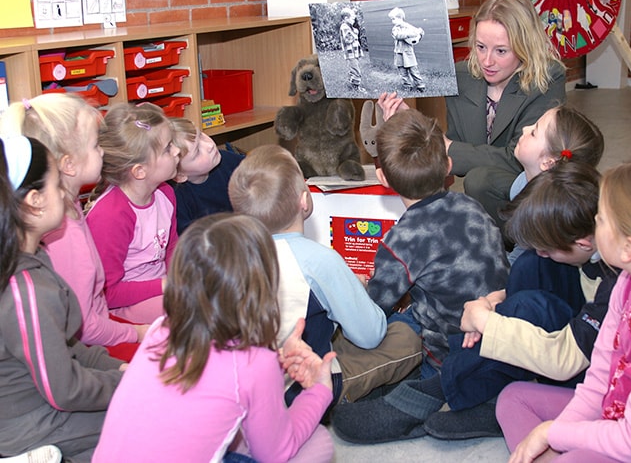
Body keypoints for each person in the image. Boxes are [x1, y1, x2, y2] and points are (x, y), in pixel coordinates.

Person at [329, 161, 610, 444]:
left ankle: (440, 391)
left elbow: (568, 360)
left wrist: (487, 322)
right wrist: (494, 303)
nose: (542, 252)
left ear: (584, 243)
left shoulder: (617, 284)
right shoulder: (591, 243)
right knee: (529, 265)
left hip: (587, 375)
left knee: (527, 303)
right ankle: (484, 386)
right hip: (562, 325)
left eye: (548, 247)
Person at [93, 213, 335, 463]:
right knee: (317, 442)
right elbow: (276, 452)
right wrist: (319, 390)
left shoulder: (160, 329)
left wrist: (273, 363)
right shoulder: (253, 364)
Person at [498, 160, 631, 463]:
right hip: (616, 412)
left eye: (602, 219)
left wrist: (551, 435)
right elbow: (599, 380)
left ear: (629, 248)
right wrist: (559, 433)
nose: (594, 219)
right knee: (513, 399)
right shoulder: (626, 283)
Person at [228, 144, 422, 405]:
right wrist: (359, 289)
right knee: (410, 331)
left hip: (243, 384)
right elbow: (370, 335)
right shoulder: (319, 259)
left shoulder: (228, 255)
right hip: (302, 388)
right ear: (304, 201)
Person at [379, 0, 565, 236]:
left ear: (524, 47)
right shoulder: (463, 76)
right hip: (482, 193)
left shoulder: (548, 78)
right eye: (480, 47)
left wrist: (447, 147)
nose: (487, 61)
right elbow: (458, 153)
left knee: (479, 180)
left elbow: (516, 158)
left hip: (533, 188)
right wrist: (411, 120)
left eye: (501, 51)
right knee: (473, 180)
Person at [0, 135, 124, 462]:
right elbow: (64, 390)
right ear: (35, 200)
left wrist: (122, 368)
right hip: (35, 425)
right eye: (57, 185)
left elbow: (67, 346)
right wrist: (124, 384)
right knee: (143, 418)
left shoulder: (30, 259)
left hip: (45, 406)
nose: (64, 193)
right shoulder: (25, 288)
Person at [0, 94, 148, 362]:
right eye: (95, 145)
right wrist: (137, 332)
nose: (102, 151)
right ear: (68, 164)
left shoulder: (70, 207)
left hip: (99, 330)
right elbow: (84, 326)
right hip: (87, 347)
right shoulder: (63, 233)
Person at [86, 102, 180, 324]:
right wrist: (167, 286)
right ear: (139, 171)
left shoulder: (165, 193)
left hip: (162, 288)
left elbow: (172, 247)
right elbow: (108, 293)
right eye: (168, 148)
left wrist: (180, 276)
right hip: (123, 306)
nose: (177, 151)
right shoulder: (110, 215)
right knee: (194, 309)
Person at [507, 104, 604, 263]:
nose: (525, 128)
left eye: (533, 133)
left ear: (548, 162)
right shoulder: (520, 183)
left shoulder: (557, 209)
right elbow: (523, 243)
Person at [168, 117, 244, 234]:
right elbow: (189, 240)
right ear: (180, 175)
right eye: (197, 151)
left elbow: (257, 169)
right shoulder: (178, 199)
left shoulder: (227, 159)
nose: (209, 145)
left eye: (201, 135)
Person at [388, 6, 426, 92]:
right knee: (403, 72)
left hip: (408, 53)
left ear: (400, 18)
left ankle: (420, 86)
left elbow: (418, 33)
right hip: (399, 53)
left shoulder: (408, 26)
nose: (392, 21)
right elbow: (398, 35)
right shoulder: (395, 29)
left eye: (393, 19)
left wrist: (419, 33)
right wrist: (411, 33)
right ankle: (407, 86)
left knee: (414, 70)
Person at [339, 7, 365, 93]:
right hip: (351, 53)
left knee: (353, 68)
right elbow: (348, 39)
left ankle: (351, 83)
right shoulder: (344, 27)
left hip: (354, 53)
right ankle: (356, 87)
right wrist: (355, 33)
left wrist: (354, 31)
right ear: (346, 18)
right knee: (356, 70)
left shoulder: (349, 27)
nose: (354, 21)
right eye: (353, 19)